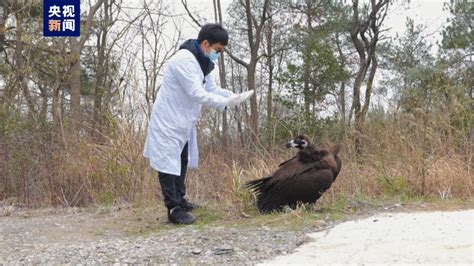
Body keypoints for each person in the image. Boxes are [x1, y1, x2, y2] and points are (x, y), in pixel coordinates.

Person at [143, 23, 253, 224]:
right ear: (205, 43)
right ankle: (173, 208)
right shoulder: (184, 60)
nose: (217, 55)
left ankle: (181, 200)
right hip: (168, 121)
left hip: (183, 122)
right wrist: (224, 103)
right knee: (168, 165)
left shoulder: (202, 62)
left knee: (182, 160)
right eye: (217, 50)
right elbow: (196, 93)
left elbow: (211, 89)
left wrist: (233, 97)